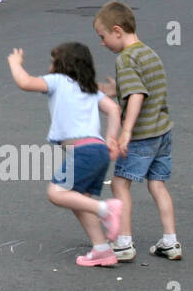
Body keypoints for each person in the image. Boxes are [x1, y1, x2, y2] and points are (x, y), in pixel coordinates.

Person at [7, 44, 123, 267]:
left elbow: (25, 82)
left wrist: (15, 64)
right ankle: (101, 249)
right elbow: (113, 109)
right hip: (98, 150)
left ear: (62, 66)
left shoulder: (57, 81)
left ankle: (106, 209)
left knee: (57, 193)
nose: (50, 67)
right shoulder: (89, 89)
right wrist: (111, 138)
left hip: (82, 151)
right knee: (79, 200)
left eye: (53, 62)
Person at [93, 1, 181, 262]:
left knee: (120, 184)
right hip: (162, 133)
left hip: (142, 135)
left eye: (103, 36)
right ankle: (170, 241)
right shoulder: (148, 53)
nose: (102, 43)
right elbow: (142, 87)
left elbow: (137, 95)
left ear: (117, 31)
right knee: (157, 184)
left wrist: (126, 132)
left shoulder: (126, 59)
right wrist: (113, 90)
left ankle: (124, 243)